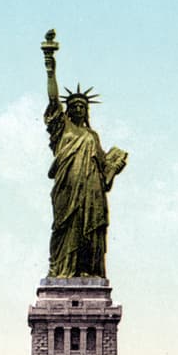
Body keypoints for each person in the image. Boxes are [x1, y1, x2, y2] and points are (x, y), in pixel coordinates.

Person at [42, 41, 127, 278]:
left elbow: (104, 172)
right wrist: (50, 67)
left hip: (91, 191)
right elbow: (52, 101)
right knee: (64, 227)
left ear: (86, 110)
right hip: (67, 188)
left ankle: (85, 270)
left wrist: (114, 165)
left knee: (88, 229)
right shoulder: (62, 129)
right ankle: (61, 270)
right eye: (74, 105)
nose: (78, 108)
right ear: (68, 109)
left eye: (82, 105)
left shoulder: (92, 136)